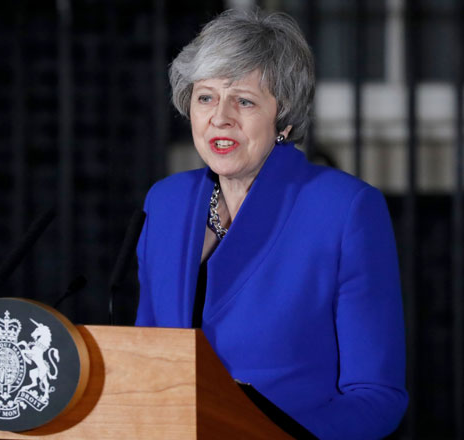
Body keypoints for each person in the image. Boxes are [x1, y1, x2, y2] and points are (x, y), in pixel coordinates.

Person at [135, 9, 408, 440]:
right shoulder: (166, 202)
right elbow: (144, 365)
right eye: (205, 97)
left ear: (285, 119)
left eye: (244, 100)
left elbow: (376, 395)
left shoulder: (344, 209)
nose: (220, 117)